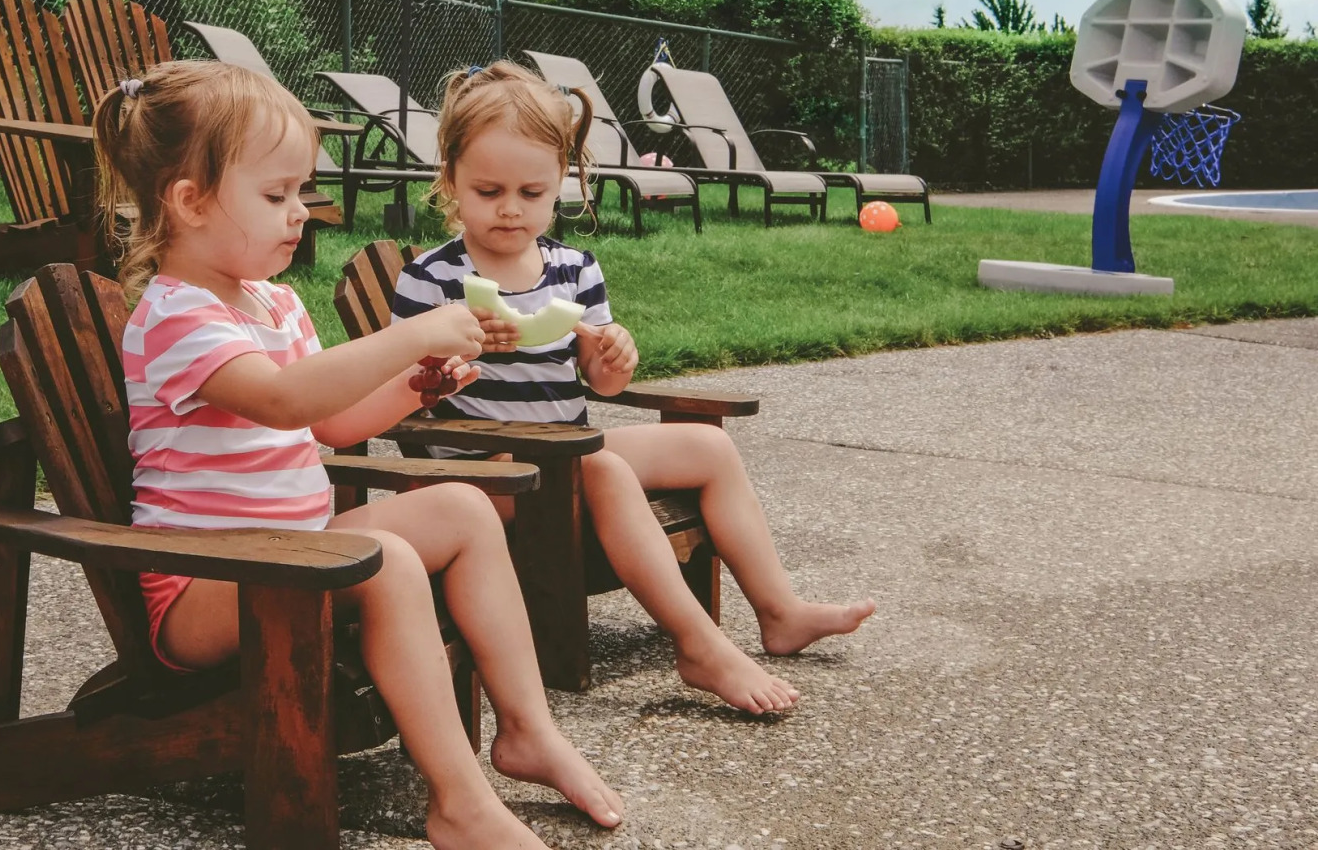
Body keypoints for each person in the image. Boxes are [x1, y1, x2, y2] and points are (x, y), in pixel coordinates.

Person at [93, 61, 623, 850]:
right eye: (276, 195)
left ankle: (527, 730)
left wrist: (418, 385)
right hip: (202, 586)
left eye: (301, 191)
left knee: (463, 508)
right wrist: (414, 333)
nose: (299, 213)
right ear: (190, 202)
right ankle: (457, 802)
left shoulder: (273, 301)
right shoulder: (178, 316)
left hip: (290, 556)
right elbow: (284, 400)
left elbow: (332, 424)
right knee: (389, 560)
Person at [390, 61, 876, 716]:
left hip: (566, 448)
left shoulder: (574, 269)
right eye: (488, 190)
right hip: (486, 476)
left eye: (532, 192)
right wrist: (455, 348)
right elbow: (403, 381)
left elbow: (602, 380)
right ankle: (698, 645)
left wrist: (614, 353)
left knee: (708, 447)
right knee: (604, 468)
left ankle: (779, 610)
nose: (511, 208)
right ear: (450, 180)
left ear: (562, 181)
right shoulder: (431, 278)